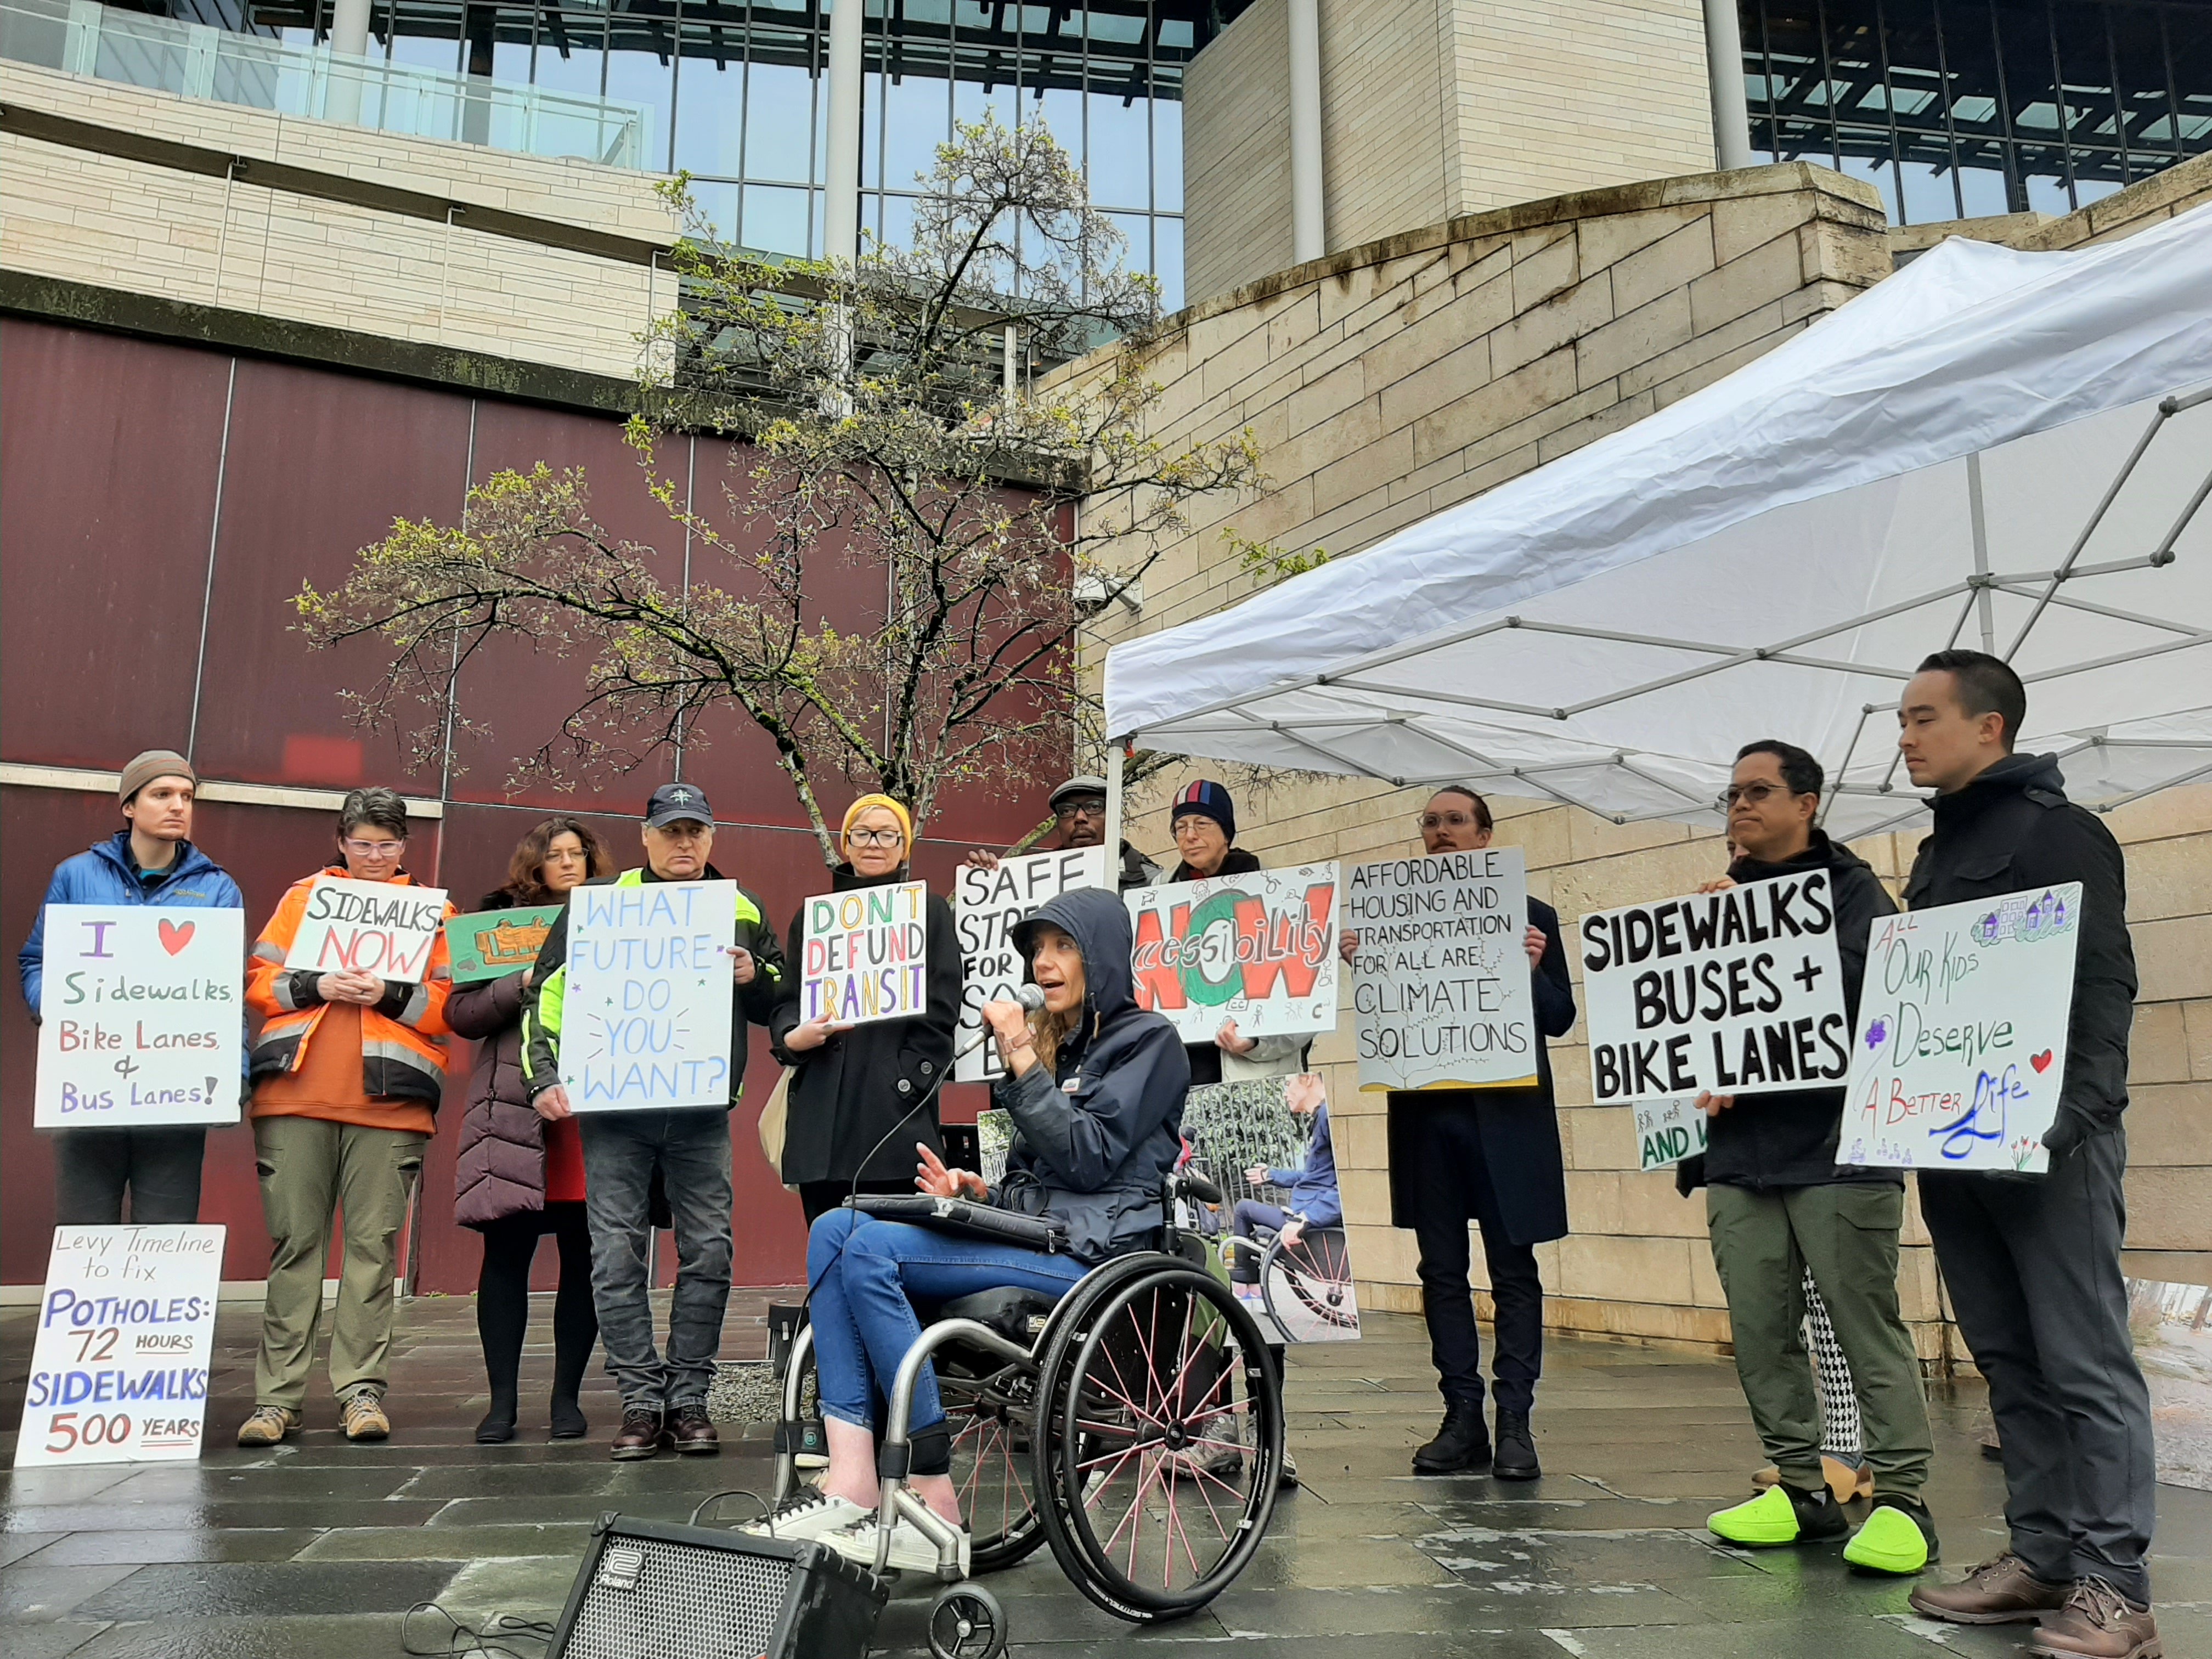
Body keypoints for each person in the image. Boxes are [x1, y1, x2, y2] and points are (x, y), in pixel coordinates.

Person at [746, 887, 1189, 1572]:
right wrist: (977, 1190)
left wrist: (1017, 1048)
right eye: (1037, 950)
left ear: (1100, 956)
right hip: (1035, 1234)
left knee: (867, 1250)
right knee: (835, 1229)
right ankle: (853, 1475)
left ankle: (929, 1488)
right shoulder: (1060, 1049)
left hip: (1097, 1255)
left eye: (1062, 946)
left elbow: (1088, 1157)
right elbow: (1036, 1174)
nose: (1044, 963)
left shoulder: (1150, 1042)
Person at [1893, 651, 2155, 1659]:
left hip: (2051, 1145)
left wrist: (2078, 1115)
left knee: (2083, 1359)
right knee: (2007, 1353)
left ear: (1987, 726)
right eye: (1902, 718)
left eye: (1922, 717)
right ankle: (2040, 1554)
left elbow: (2103, 984)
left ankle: (2115, 1590)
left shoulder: (2060, 831)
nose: (1905, 736)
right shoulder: (1937, 846)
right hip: (1952, 1144)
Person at [1693, 741, 1938, 1576]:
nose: (1740, 807)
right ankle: (1800, 1488)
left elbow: (1868, 998)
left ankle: (1904, 1498)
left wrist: (1750, 938)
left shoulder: (1857, 893)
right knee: (1761, 1328)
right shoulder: (1716, 903)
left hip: (1839, 1148)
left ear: (1809, 802)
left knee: (1863, 1322)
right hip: (1739, 1153)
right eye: (1731, 795)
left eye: (1758, 792)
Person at [522, 782, 787, 1462]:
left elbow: (782, 994)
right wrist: (543, 1078)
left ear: (712, 837)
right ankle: (641, 1400)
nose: (684, 843)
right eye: (671, 831)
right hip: (615, 1113)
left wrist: (755, 976)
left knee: (711, 1253)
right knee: (614, 1256)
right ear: (645, 838)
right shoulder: (600, 906)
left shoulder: (741, 907)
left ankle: (689, 1398)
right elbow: (546, 996)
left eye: (695, 830)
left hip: (699, 1115)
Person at [1346, 785, 1574, 1480]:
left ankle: (1516, 1423)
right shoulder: (1389, 918)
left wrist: (1532, 970)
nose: (1441, 831)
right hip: (1428, 1119)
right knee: (1440, 1271)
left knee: (1513, 1271)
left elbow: (1559, 1018)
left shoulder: (1533, 917)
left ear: (1484, 836)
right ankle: (1461, 1417)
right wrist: (1365, 961)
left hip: (1506, 1122)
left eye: (1454, 821)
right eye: (1431, 822)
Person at [236, 787, 454, 1447]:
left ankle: (361, 1394)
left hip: (390, 1106)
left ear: (405, 847)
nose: (375, 856)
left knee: (371, 1252)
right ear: (341, 840)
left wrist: (387, 993)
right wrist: (315, 985)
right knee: (295, 1248)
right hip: (292, 1097)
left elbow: (450, 1007)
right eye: (363, 843)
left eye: (387, 845)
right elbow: (256, 982)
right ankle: (276, 1402)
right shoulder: (303, 898)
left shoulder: (436, 911)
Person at [18, 751, 245, 1226]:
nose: (178, 806)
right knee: (83, 1231)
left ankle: (157, 1305)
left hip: (175, 1089)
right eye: (162, 795)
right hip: (88, 1085)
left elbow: (225, 992)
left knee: (167, 1235)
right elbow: (38, 961)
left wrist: (234, 1072)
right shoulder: (75, 875)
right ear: (129, 806)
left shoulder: (219, 889)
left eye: (187, 796)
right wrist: (58, 1006)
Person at [449, 817, 613, 1444]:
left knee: (584, 1257)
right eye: (556, 855)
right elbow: (459, 1013)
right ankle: (501, 1405)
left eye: (579, 854)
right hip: (513, 1111)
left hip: (586, 1112)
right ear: (534, 865)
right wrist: (516, 986)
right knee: (506, 1256)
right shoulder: (495, 926)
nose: (569, 864)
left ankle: (566, 1401)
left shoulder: (619, 915)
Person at [771, 795, 964, 1226]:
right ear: (846, 844)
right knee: (826, 1253)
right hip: (822, 1123)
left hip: (893, 1121)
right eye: (862, 833)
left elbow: (942, 1009)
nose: (873, 843)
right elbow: (788, 1000)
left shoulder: (930, 911)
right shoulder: (813, 917)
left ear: (904, 847)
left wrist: (908, 1082)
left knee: (889, 1258)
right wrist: (792, 1037)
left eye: (887, 834)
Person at [1161, 780, 1309, 1090]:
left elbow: (1307, 1008)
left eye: (1202, 823)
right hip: (1180, 1080)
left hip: (1257, 1082)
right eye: (1181, 827)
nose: (1190, 836)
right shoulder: (1158, 902)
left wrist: (1255, 1043)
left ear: (1226, 832)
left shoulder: (1280, 894)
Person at [1229, 1070, 1340, 1294]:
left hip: (1314, 1218)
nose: (1284, 1094)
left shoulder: (1329, 1116)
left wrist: (1306, 1218)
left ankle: (1246, 1287)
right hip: (1311, 1209)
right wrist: (1272, 1175)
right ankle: (1249, 1286)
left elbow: (1347, 1182)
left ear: (1308, 1078)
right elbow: (1315, 1177)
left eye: (1288, 1083)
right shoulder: (1322, 1116)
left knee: (1243, 1209)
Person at [963, 774, 1164, 892]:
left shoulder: (1153, 883)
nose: (1080, 818)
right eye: (1067, 810)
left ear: (1114, 816)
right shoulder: (1027, 885)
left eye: (1094, 806)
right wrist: (986, 882)